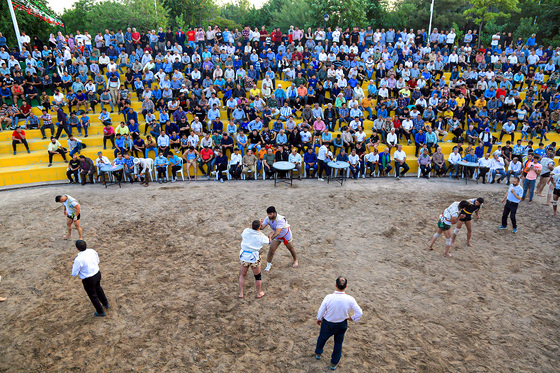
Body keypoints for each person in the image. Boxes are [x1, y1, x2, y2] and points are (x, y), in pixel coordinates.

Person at [315, 276, 363, 371]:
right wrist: (351, 318)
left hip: (328, 324)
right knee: (338, 344)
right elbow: (360, 313)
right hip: (341, 324)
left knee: (322, 339)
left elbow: (321, 310)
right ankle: (334, 363)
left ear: (335, 285)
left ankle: (318, 353)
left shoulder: (329, 297)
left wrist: (319, 318)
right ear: (346, 287)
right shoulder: (350, 299)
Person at [71, 240, 109, 317]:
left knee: (92, 295)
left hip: (88, 279)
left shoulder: (78, 259)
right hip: (97, 273)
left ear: (77, 248)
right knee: (98, 288)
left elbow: (74, 273)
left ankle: (100, 311)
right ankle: (105, 303)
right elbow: (97, 261)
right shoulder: (92, 251)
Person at [260, 206, 298, 272]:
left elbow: (277, 232)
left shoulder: (280, 220)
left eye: (270, 214)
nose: (268, 215)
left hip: (285, 236)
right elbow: (262, 227)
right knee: (271, 250)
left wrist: (270, 239)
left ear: (274, 213)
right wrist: (259, 223)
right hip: (277, 236)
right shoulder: (268, 218)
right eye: (268, 214)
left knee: (291, 248)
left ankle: (295, 260)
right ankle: (268, 265)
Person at [238, 220, 270, 299]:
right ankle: (258, 293)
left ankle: (241, 293)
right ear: (259, 227)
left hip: (244, 256)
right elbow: (269, 241)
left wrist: (257, 223)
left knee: (242, 275)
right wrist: (270, 236)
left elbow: (249, 230)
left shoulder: (246, 231)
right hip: (254, 257)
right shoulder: (260, 235)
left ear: (251, 226)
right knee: (257, 277)